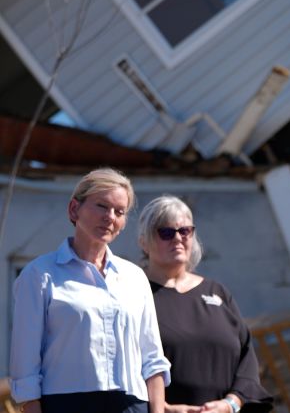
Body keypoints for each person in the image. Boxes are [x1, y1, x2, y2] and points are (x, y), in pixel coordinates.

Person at [10, 168, 170, 413]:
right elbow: (25, 365)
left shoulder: (135, 277)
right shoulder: (38, 274)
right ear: (74, 209)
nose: (110, 217)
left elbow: (152, 358)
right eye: (102, 206)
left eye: (120, 212)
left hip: (132, 405)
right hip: (66, 404)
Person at [137, 195, 273, 413]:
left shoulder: (217, 293)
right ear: (143, 242)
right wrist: (160, 408)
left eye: (185, 231)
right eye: (166, 232)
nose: (177, 239)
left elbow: (247, 359)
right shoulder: (133, 293)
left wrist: (231, 404)